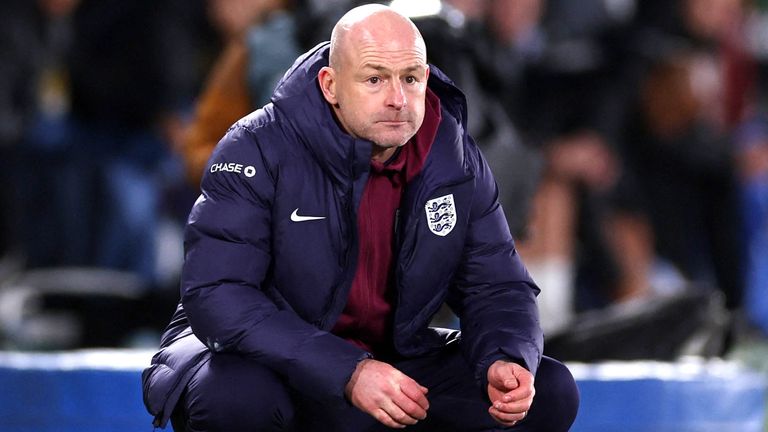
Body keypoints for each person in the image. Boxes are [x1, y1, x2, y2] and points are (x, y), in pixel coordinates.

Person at [142, 4, 579, 431]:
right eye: (374, 79)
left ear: (426, 78)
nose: (397, 99)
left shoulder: (455, 156)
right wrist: (347, 371)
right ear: (330, 85)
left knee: (549, 390)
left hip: (390, 358)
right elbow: (218, 295)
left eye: (410, 79)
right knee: (235, 398)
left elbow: (497, 285)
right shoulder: (256, 146)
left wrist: (506, 357)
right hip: (268, 361)